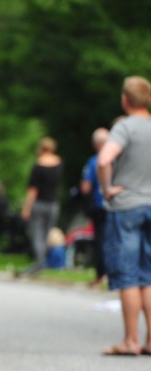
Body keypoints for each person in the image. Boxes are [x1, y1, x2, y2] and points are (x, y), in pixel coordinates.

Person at [97, 76, 151, 356]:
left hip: (128, 205)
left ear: (125, 100)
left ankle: (131, 340)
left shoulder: (125, 127)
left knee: (129, 275)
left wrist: (107, 188)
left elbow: (105, 158)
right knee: (149, 275)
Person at [19, 137, 63, 275]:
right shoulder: (59, 164)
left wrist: (26, 208)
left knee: (37, 235)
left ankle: (39, 263)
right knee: (46, 235)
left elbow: (33, 190)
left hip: (40, 204)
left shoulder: (38, 166)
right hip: (53, 204)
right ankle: (42, 262)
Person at [80, 127, 109, 287]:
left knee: (100, 240)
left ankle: (101, 274)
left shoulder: (93, 161)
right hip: (119, 205)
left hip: (100, 205)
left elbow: (85, 186)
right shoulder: (120, 159)